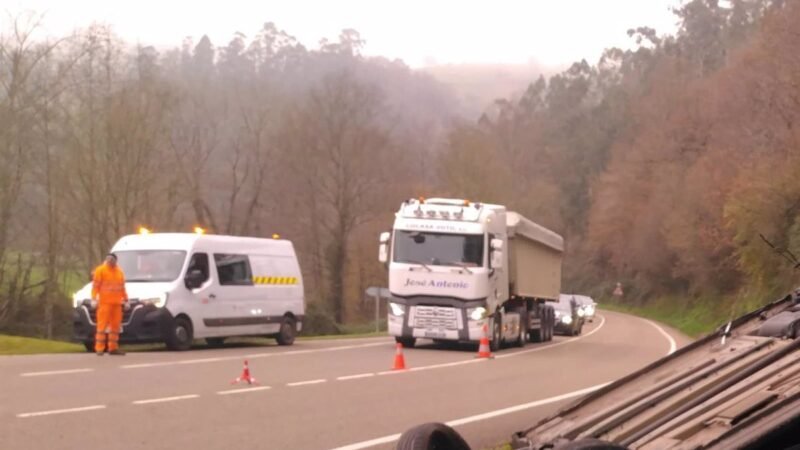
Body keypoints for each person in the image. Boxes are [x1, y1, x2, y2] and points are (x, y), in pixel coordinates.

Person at [92, 253, 129, 355]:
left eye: (111, 259)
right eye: (108, 259)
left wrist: (126, 300)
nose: (109, 261)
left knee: (115, 327)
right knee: (102, 327)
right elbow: (95, 286)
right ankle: (99, 349)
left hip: (116, 304)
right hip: (104, 303)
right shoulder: (100, 271)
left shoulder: (119, 272)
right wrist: (94, 298)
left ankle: (113, 348)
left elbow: (122, 288)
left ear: (115, 261)